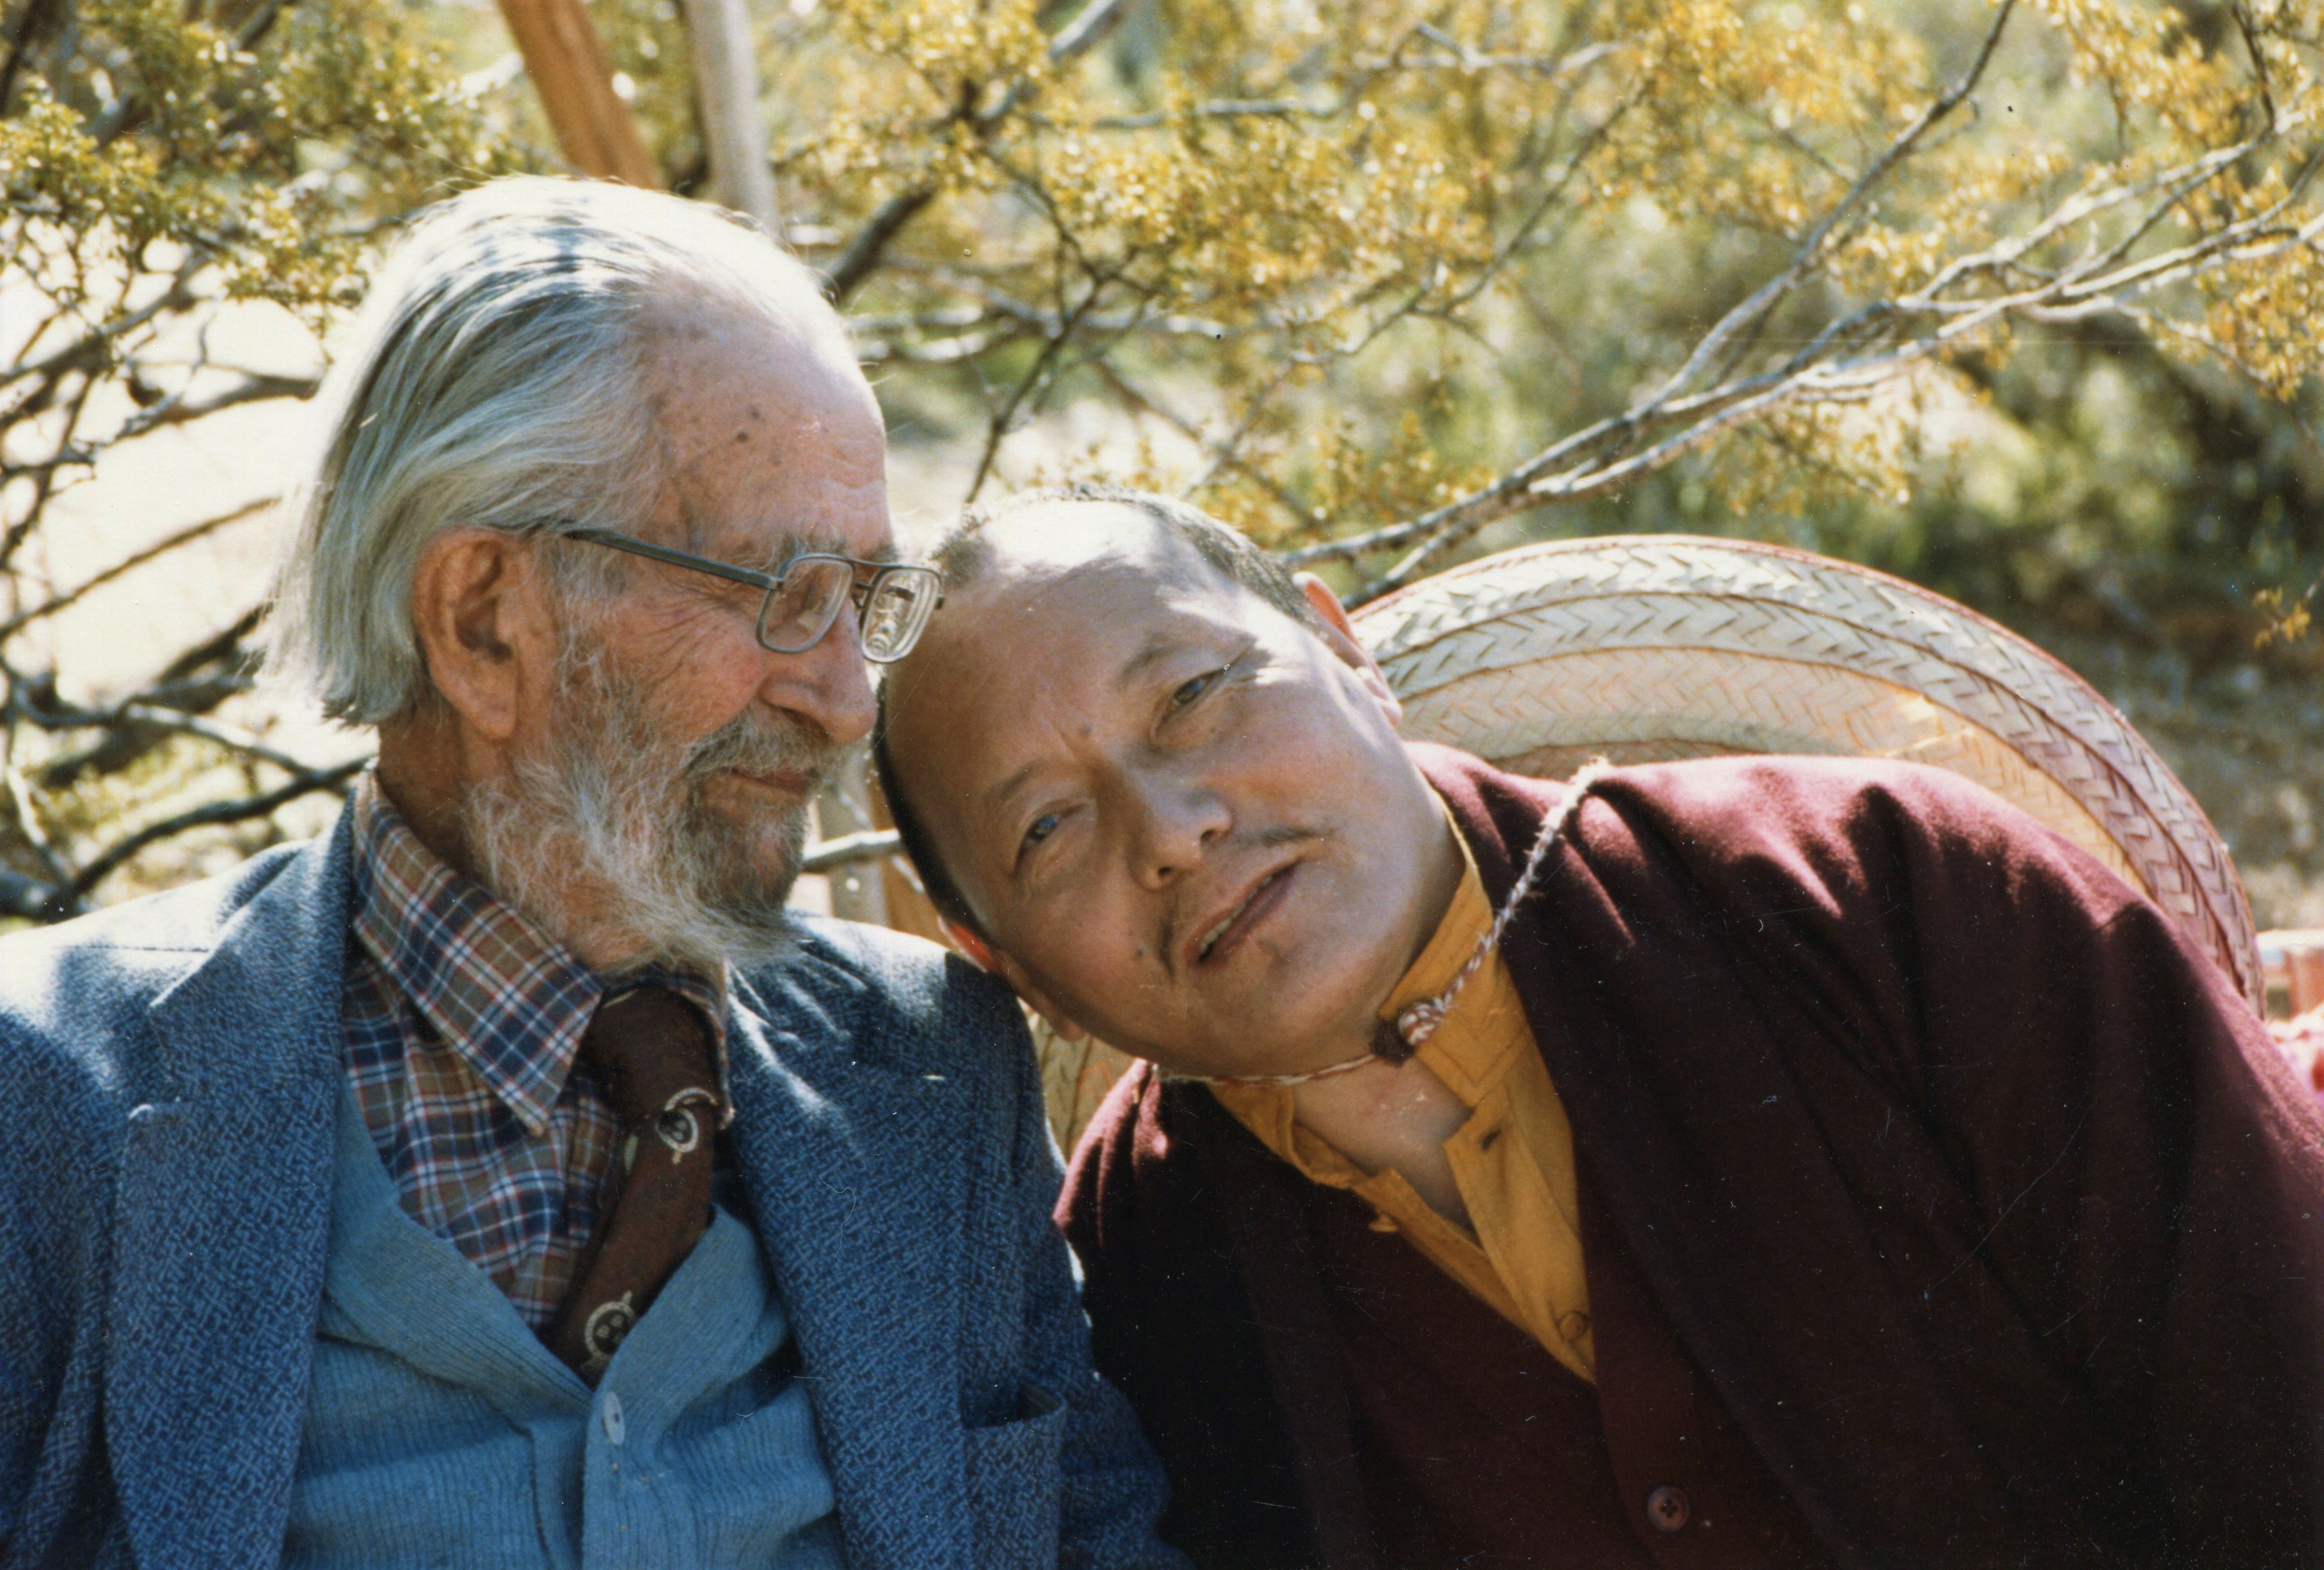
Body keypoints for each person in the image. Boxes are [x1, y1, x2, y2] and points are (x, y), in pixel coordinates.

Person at [0, 183, 1179, 1570]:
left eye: (866, 601)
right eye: (788, 592)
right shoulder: (45, 1102)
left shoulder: (930, 1073)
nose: (848, 700)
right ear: (484, 619)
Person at [871, 483, 2324, 1569]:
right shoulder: (1128, 1272)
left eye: (1191, 692)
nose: (1172, 828)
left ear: (1338, 647)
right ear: (1007, 966)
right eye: (1049, 826)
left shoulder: (1876, 894)